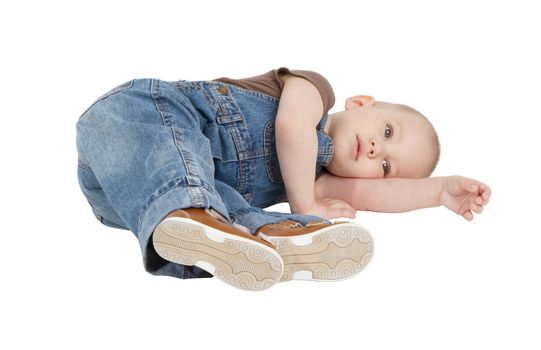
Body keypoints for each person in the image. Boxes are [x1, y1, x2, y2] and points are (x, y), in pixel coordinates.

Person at [76, 67, 491, 291]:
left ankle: (265, 240)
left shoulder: (321, 182)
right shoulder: (316, 91)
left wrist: (438, 191)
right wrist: (305, 206)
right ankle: (201, 218)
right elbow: (291, 130)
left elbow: (371, 195)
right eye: (387, 133)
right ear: (362, 102)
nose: (378, 152)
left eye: (386, 167)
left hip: (135, 207)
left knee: (223, 203)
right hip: (136, 124)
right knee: (169, 148)